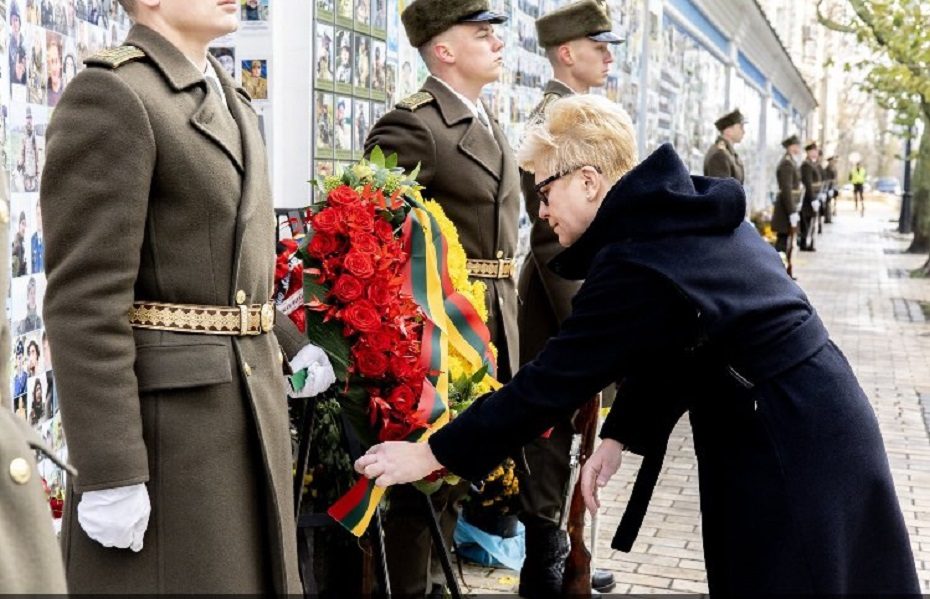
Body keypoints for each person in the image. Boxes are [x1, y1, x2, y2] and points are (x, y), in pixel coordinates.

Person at [355, 94, 921, 596]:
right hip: (807, 418)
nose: (542, 210)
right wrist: (621, 434)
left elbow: (548, 385)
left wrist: (431, 453)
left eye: (545, 190)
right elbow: (684, 339)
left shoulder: (638, 256)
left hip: (787, 440)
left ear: (588, 180)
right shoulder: (670, 219)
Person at [41, 0, 335, 593]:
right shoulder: (115, 96)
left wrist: (288, 340)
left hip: (245, 409)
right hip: (174, 436)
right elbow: (84, 301)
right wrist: (110, 468)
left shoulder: (228, 97)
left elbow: (223, 276)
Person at [363, 0, 519, 595]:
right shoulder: (414, 125)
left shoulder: (484, 121)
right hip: (437, 337)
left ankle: (434, 584)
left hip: (489, 322)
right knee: (418, 491)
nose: (496, 43)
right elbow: (371, 235)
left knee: (456, 475)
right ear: (443, 50)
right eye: (482, 34)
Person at [517, 1, 621, 595]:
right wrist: (589, 322)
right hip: (561, 297)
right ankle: (546, 561)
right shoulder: (556, 121)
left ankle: (566, 549)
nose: (607, 56)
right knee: (552, 436)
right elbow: (547, 232)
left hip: (581, 290)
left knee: (575, 435)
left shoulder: (581, 114)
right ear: (566, 53)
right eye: (597, 45)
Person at [773, 135, 801, 278]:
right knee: (782, 243)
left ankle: (783, 273)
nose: (798, 148)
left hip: (788, 207)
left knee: (786, 242)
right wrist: (791, 212)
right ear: (790, 147)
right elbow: (786, 189)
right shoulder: (787, 164)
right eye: (796, 145)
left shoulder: (791, 162)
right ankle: (779, 274)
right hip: (785, 208)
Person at [703, 108, 745, 184]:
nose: (744, 132)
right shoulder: (719, 155)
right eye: (740, 127)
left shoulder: (729, 154)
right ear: (728, 130)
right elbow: (722, 193)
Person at [799, 141, 822, 252]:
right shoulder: (806, 165)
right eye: (813, 151)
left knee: (812, 221)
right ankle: (805, 243)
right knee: (806, 221)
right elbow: (808, 183)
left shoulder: (814, 164)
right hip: (808, 198)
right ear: (808, 152)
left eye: (816, 151)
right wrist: (813, 199)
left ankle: (810, 242)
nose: (815, 153)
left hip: (815, 196)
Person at [18, 107, 39, 192]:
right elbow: (21, 151)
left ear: (32, 119)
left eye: (30, 118)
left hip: (33, 167)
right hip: (26, 167)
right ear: (25, 119)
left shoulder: (35, 132)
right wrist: (20, 163)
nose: (29, 120)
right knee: (26, 188)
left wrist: (37, 170)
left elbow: (37, 151)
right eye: (27, 118)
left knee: (34, 189)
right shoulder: (23, 133)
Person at [822, 155, 837, 224]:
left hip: (832, 187)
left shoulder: (834, 168)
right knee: (827, 203)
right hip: (828, 188)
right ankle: (827, 218)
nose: (833, 162)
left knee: (831, 203)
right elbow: (827, 180)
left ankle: (830, 216)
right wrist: (829, 188)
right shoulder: (827, 169)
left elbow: (835, 179)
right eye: (832, 161)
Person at [11, 210, 27, 277]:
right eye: (22, 224)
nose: (24, 228)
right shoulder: (17, 243)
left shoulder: (21, 242)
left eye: (25, 225)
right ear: (19, 225)